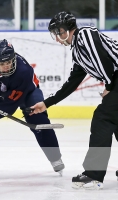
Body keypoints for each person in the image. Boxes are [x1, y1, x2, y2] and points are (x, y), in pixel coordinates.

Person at [29, 11, 118, 190]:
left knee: (103, 118)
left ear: (66, 29)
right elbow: (72, 83)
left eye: (58, 32)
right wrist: (47, 103)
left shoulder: (85, 34)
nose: (57, 37)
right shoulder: (77, 53)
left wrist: (109, 85)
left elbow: (103, 60)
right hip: (115, 79)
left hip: (115, 79)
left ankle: (93, 174)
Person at [0, 39, 65, 177]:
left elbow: (9, 107)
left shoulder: (23, 73)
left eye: (9, 62)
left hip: (28, 92)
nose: (7, 66)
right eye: (2, 64)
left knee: (38, 119)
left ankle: (55, 157)